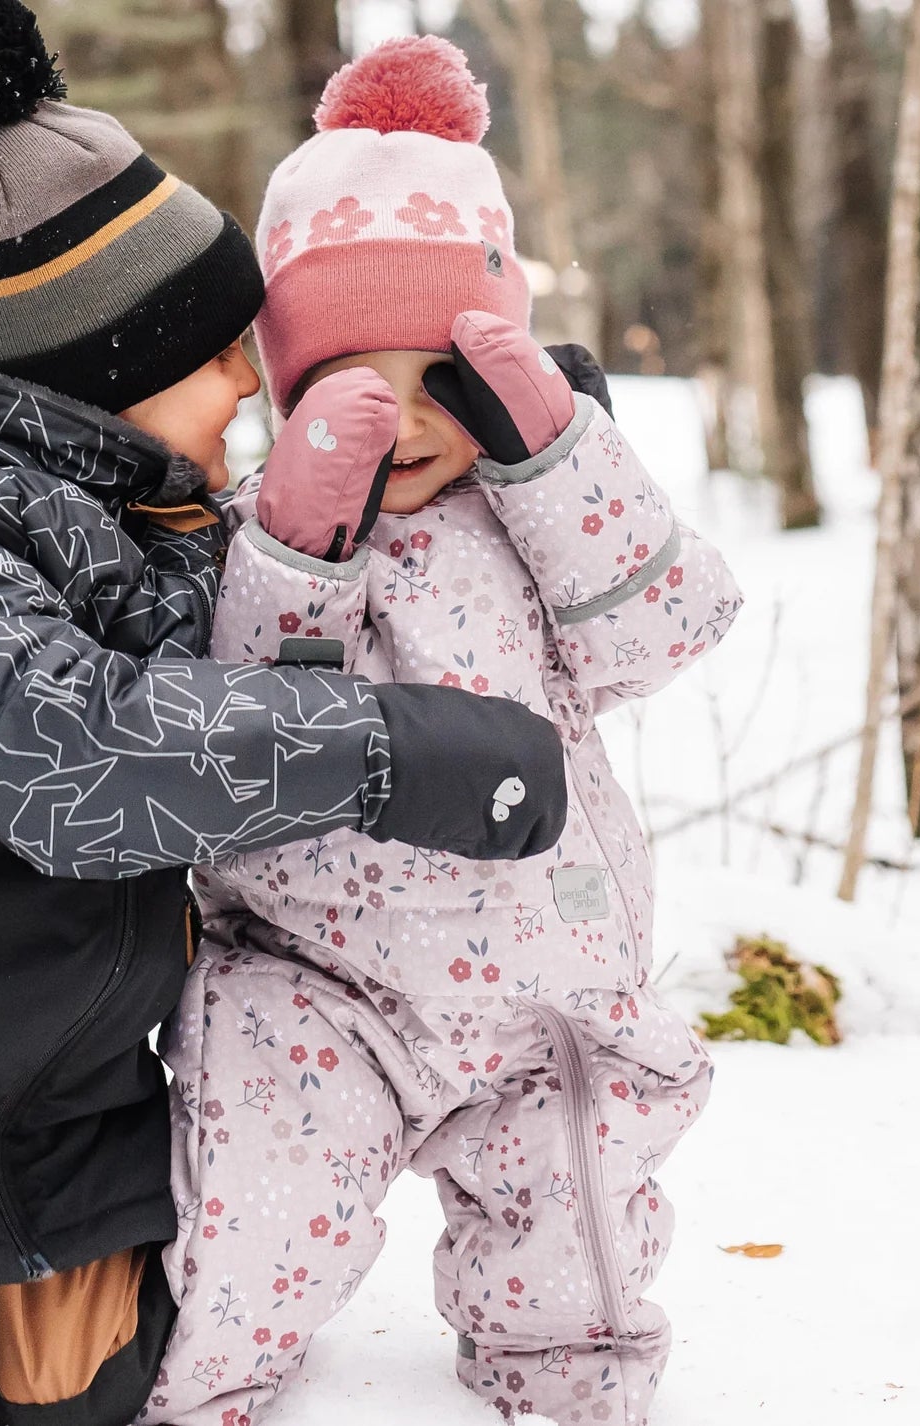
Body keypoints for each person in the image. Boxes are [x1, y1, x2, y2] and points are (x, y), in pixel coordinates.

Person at [0, 7, 569, 1423]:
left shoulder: (150, 516)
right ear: (101, 363)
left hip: (70, 1084)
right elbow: (63, 747)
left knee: (97, 1388)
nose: (244, 385)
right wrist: (387, 752)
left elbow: (344, 584)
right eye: (214, 353)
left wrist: (534, 459)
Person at [144, 36, 745, 1426]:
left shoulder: (540, 514)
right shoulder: (262, 530)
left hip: (547, 996)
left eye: (444, 378)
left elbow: (669, 630)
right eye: (356, 378)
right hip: (319, 983)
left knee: (575, 1233)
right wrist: (299, 541)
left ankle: (569, 1383)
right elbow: (254, 735)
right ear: (290, 380)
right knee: (254, 1205)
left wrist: (557, 451)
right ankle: (206, 1381)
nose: (404, 420)